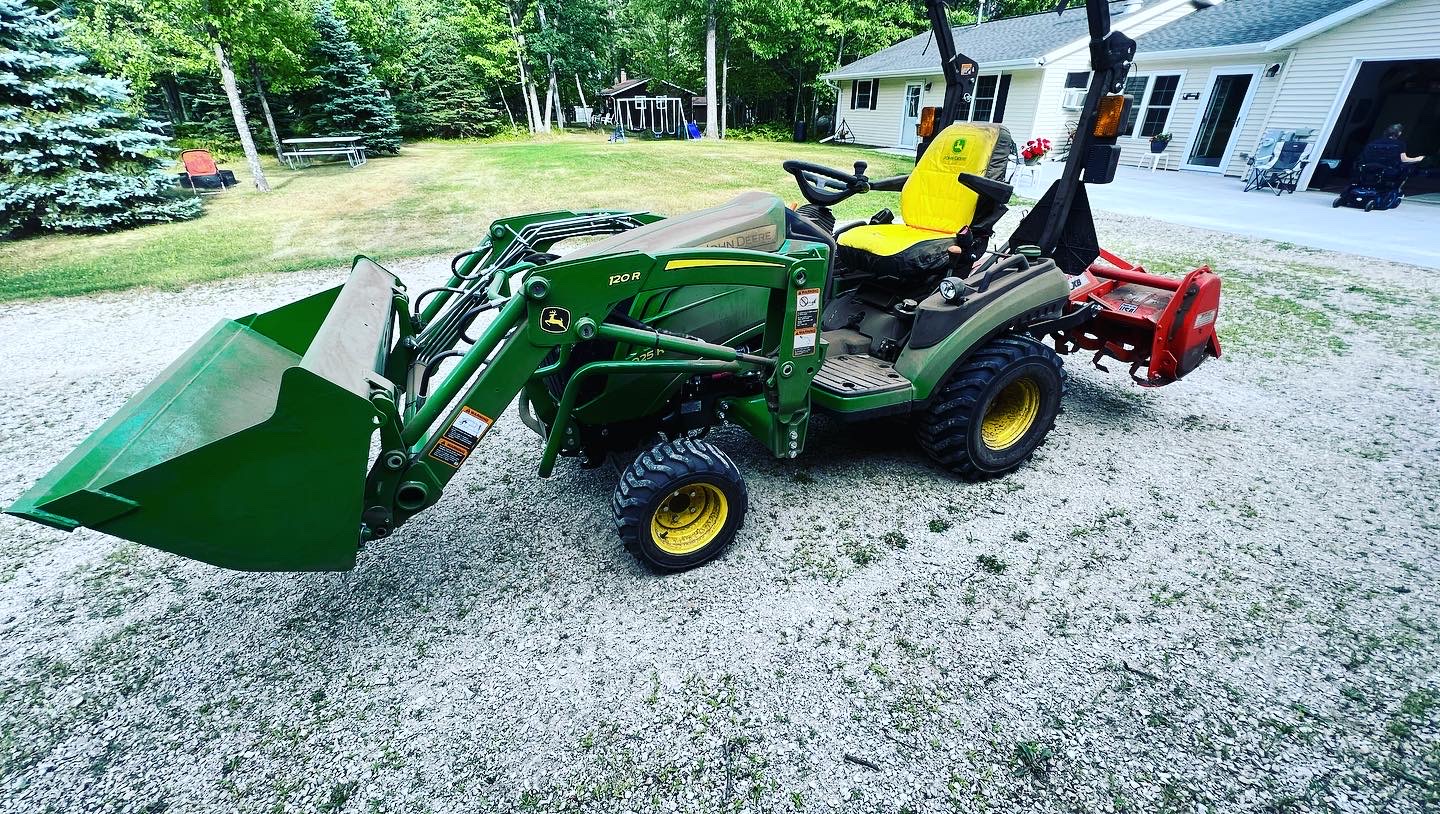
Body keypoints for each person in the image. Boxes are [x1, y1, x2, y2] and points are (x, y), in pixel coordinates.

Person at [1359, 123, 1426, 166]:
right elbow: (1404, 160)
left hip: (1367, 172)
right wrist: (1419, 158)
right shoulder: (1400, 144)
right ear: (1399, 133)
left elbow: (1363, 158)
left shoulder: (1372, 143)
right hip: (1387, 174)